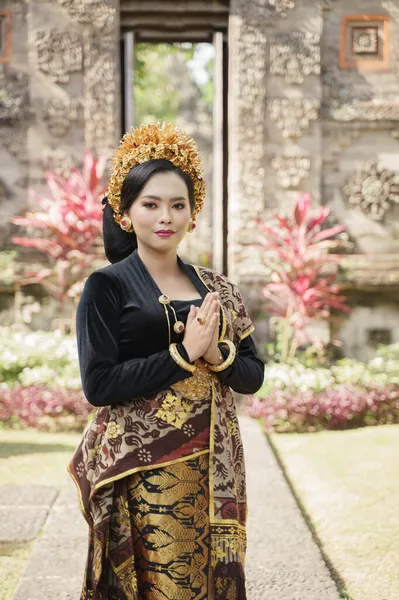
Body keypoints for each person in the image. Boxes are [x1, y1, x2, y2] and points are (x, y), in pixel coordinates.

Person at [69, 122, 264, 600]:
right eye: (151, 204)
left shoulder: (217, 289)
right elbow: (99, 384)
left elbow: (253, 375)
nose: (166, 217)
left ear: (192, 213)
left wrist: (216, 353)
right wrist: (181, 354)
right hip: (143, 471)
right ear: (126, 211)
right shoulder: (107, 286)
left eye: (178, 205)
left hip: (213, 468)